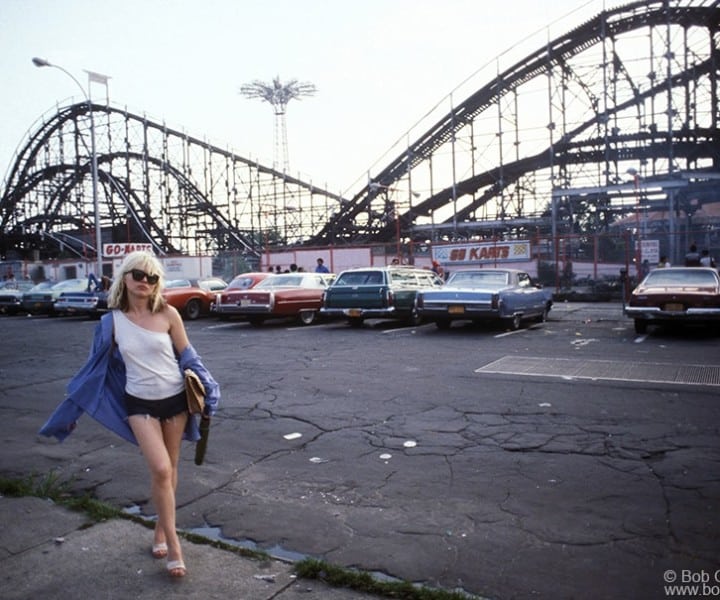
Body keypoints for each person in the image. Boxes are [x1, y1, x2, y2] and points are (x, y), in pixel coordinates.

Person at [39, 251, 220, 579]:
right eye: (138, 275)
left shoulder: (168, 314)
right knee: (161, 469)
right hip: (138, 404)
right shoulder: (110, 322)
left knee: (170, 470)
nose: (145, 282)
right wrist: (73, 408)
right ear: (124, 276)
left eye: (152, 278)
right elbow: (94, 370)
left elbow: (188, 357)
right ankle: (175, 545)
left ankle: (160, 531)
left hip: (176, 400)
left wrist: (208, 385)